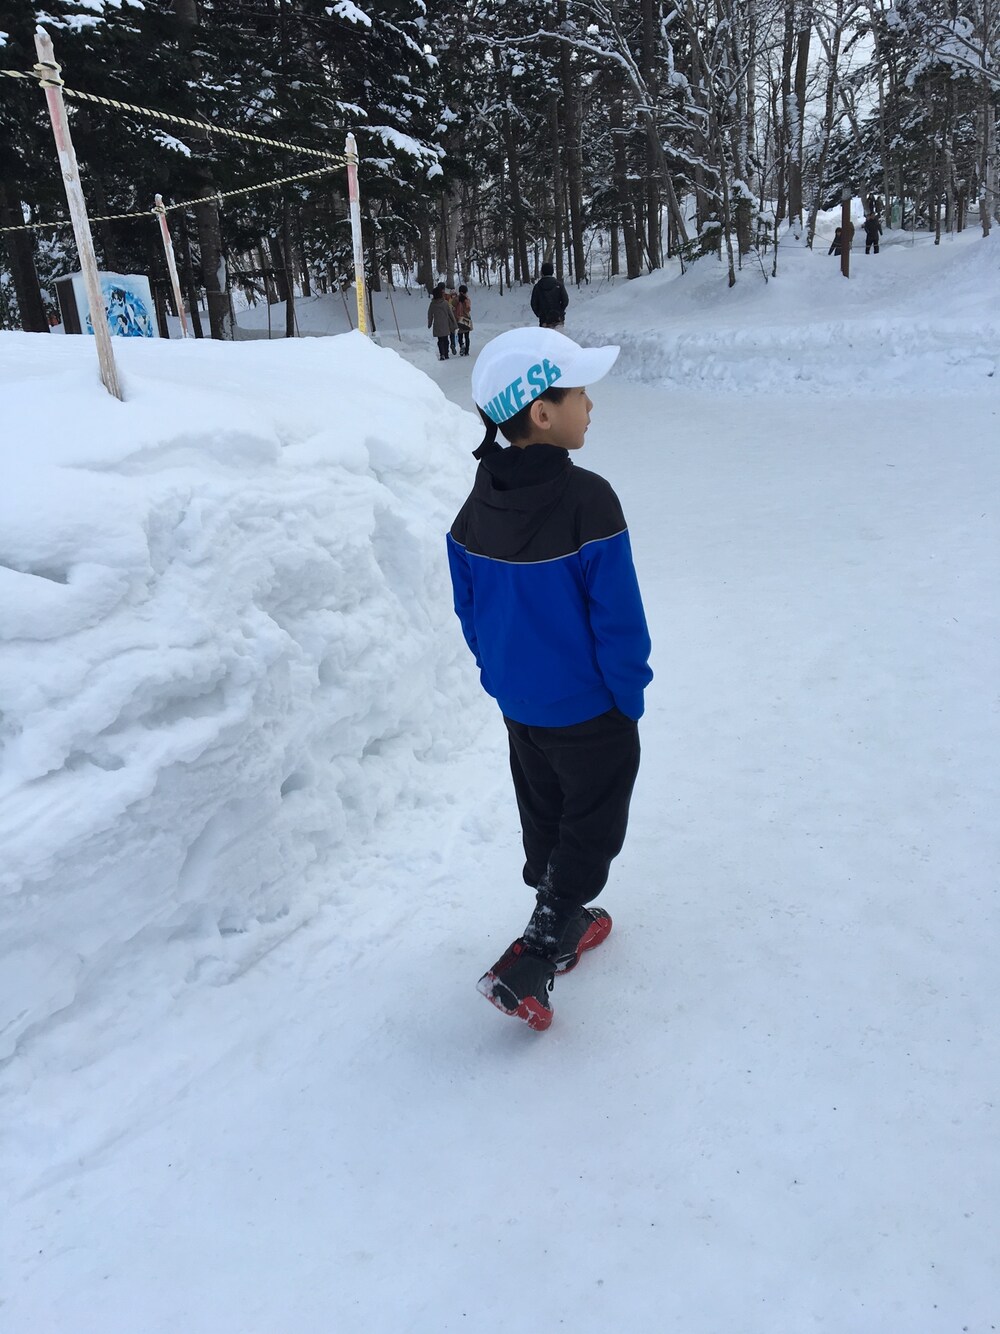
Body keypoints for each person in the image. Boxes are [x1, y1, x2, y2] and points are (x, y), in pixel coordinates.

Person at [446, 327, 652, 1031]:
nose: (591, 406)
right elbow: (618, 619)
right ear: (541, 412)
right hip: (591, 710)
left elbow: (470, 609)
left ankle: (560, 912)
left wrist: (498, 674)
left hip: (521, 707)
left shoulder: (475, 507)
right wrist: (627, 695)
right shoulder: (590, 502)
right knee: (591, 822)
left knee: (545, 810)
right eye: (580, 394)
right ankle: (536, 950)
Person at [530, 262, 569, 329]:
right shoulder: (559, 285)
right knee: (558, 335)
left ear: (542, 272)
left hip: (544, 320)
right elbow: (565, 300)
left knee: (545, 335)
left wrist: (540, 314)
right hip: (558, 319)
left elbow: (533, 303)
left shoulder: (537, 287)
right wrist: (560, 311)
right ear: (552, 272)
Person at [428, 283, 457, 360]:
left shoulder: (432, 304)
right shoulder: (445, 303)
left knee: (440, 340)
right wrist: (454, 322)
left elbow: (430, 314)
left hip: (437, 324)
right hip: (445, 324)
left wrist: (429, 323)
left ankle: (442, 354)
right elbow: (450, 313)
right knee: (446, 339)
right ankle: (446, 353)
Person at [454, 284, 473, 356]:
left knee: (460, 335)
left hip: (459, 319)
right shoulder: (467, 300)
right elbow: (469, 309)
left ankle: (462, 345)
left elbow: (452, 306)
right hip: (466, 319)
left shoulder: (456, 299)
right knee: (467, 336)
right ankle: (467, 351)